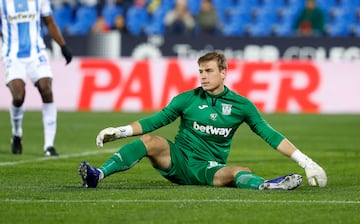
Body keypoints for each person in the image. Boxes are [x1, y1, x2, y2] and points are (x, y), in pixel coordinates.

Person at [79, 51, 327, 190]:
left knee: (240, 171)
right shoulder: (187, 99)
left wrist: (306, 161)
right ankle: (97, 175)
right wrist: (120, 131)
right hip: (177, 159)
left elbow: (269, 134)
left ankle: (265, 186)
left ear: (223, 73)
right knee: (150, 140)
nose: (203, 77)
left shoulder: (242, 106)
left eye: (208, 71)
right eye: (200, 72)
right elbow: (157, 119)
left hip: (209, 168)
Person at [0, 0, 73, 156]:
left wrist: (63, 46)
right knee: (18, 97)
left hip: (37, 54)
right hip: (12, 56)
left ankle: (49, 146)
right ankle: (17, 133)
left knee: (46, 89)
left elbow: (49, 21)